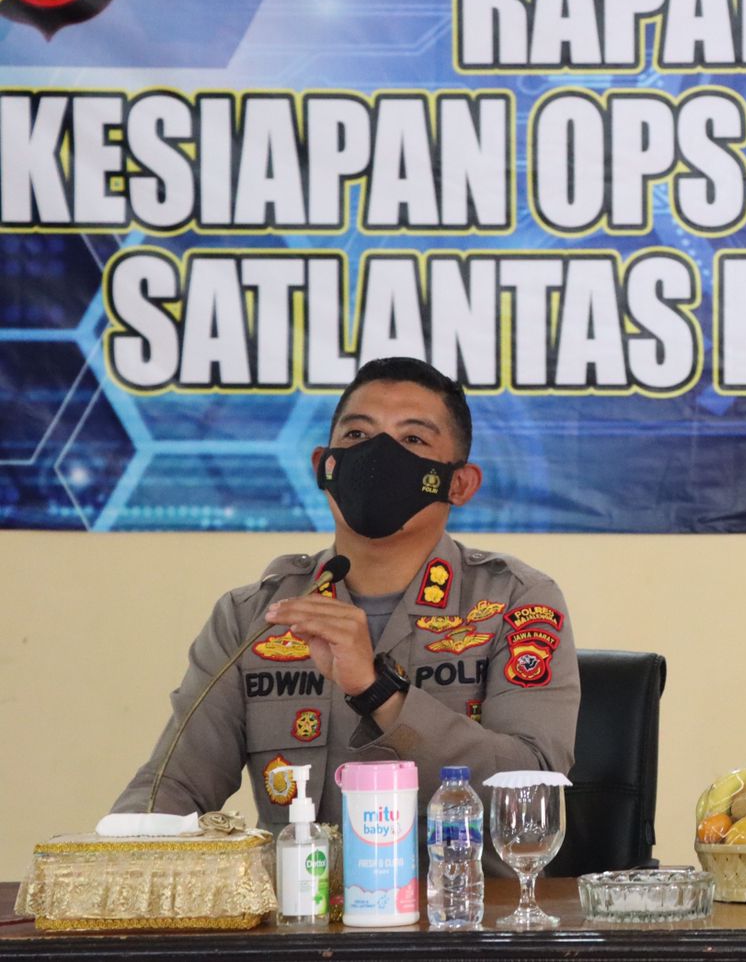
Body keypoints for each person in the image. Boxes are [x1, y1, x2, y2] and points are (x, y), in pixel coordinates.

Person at [112, 357, 578, 873]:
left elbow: (530, 792)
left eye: (413, 440)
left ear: (460, 484)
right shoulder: (256, 617)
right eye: (357, 435)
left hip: (465, 911)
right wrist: (114, 864)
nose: (378, 457)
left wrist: (380, 694)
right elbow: (173, 786)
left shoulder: (514, 602)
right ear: (323, 465)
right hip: (302, 913)